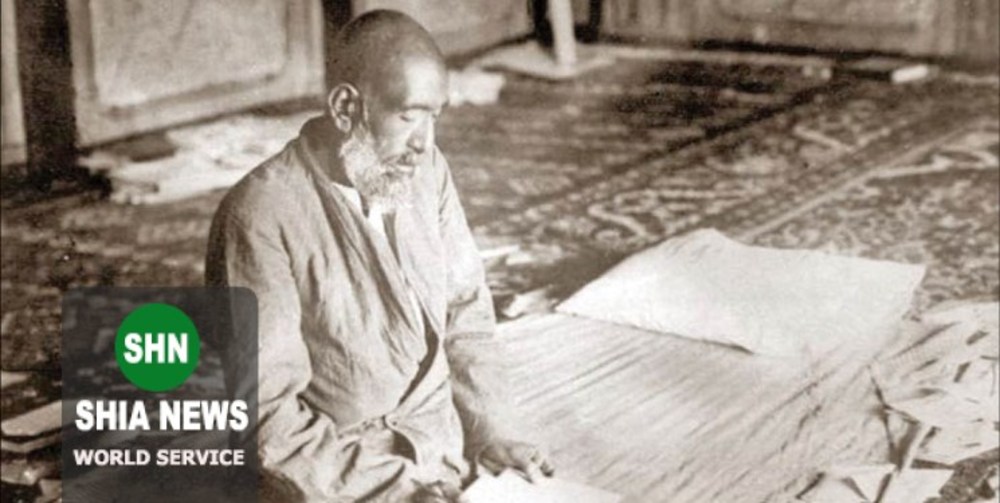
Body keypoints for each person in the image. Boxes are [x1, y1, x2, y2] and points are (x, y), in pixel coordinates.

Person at [206, 9, 552, 502]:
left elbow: (465, 313)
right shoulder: (260, 212)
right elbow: (267, 416)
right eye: (408, 116)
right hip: (336, 477)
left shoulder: (427, 172)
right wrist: (398, 492)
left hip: (441, 456)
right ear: (346, 107)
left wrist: (494, 432)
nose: (424, 143)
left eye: (434, 117)